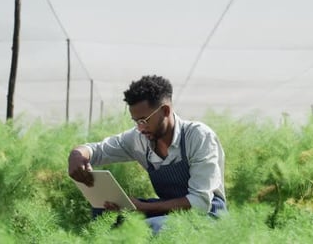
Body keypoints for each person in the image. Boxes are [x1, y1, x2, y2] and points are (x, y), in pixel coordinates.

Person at [68, 75, 226, 233]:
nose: (140, 128)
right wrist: (77, 154)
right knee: (105, 213)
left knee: (151, 228)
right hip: (168, 210)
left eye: (144, 120)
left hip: (207, 215)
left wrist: (144, 208)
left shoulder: (198, 136)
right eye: (136, 121)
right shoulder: (140, 139)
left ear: (165, 111)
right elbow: (98, 150)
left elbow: (200, 203)